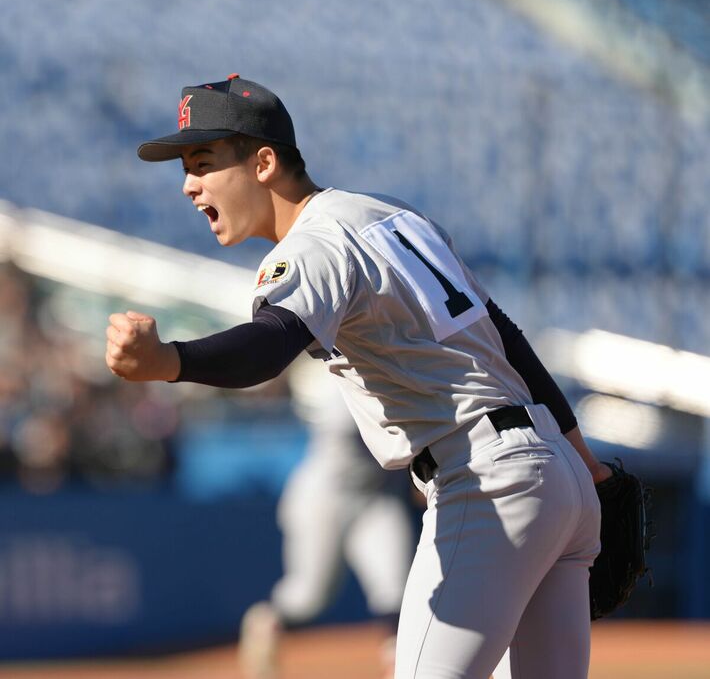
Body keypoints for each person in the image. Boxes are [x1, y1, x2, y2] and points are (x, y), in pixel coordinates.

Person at [105, 73, 611, 679]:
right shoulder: (390, 217)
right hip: (553, 472)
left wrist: (170, 361)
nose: (189, 185)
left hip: (487, 479)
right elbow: (505, 335)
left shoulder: (316, 242)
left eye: (204, 162)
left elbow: (270, 344)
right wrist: (583, 460)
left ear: (263, 162)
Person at [239, 355, 414, 679]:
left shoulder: (405, 373)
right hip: (323, 499)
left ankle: (399, 665)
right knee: (308, 598)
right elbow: (382, 437)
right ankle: (266, 621)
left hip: (374, 498)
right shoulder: (346, 381)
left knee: (397, 588)